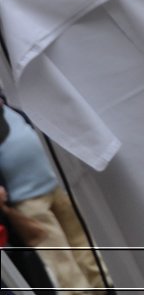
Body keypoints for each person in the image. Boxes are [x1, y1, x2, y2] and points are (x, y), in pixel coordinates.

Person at [0, 102, 106, 295]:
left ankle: (105, 287)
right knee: (60, 259)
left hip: (54, 185)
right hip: (26, 202)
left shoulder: (10, 110)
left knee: (85, 245)